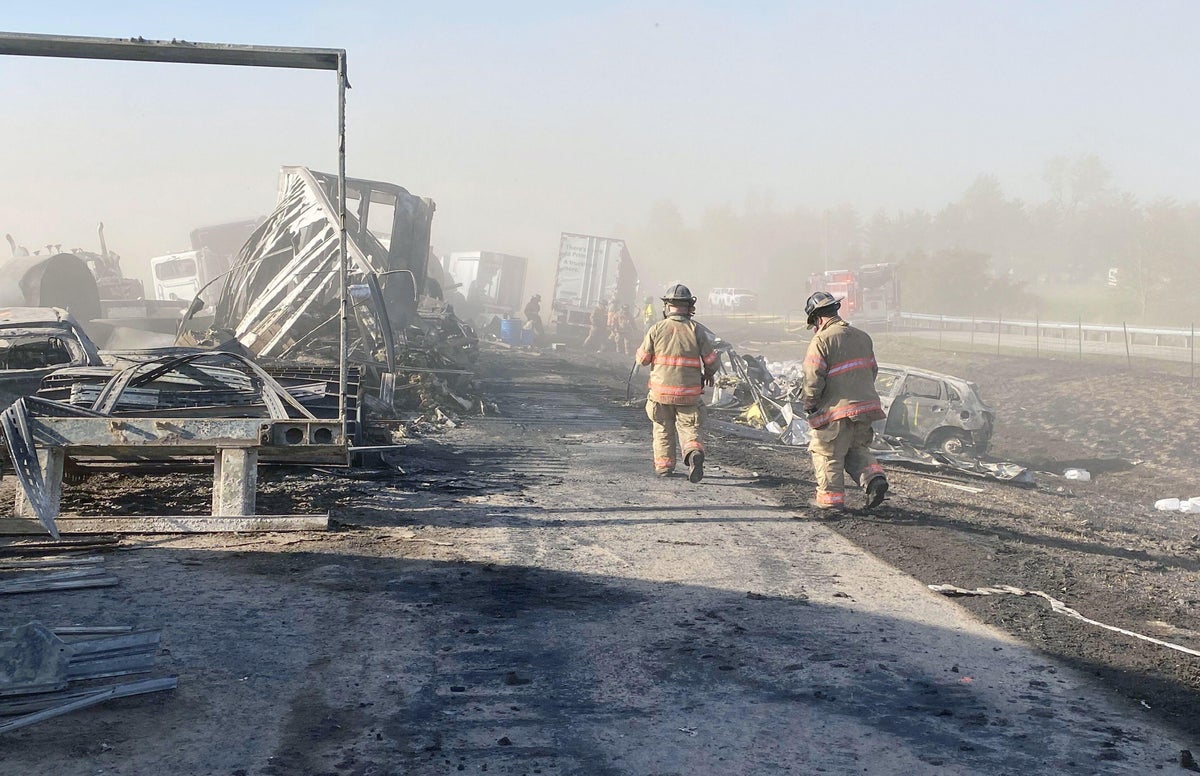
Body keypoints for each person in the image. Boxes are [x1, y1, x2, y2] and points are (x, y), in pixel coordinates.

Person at [800, 291, 889, 512]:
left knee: (826, 452)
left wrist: (810, 404)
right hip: (866, 408)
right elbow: (872, 370)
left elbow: (813, 377)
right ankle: (874, 478)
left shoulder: (821, 340)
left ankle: (830, 502)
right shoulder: (862, 336)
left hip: (836, 411)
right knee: (855, 448)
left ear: (818, 319)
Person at [635, 283, 719, 482]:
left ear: (667, 306)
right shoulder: (696, 329)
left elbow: (643, 359)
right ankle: (693, 453)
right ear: (689, 306)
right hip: (688, 394)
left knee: (663, 428)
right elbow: (712, 360)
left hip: (660, 393)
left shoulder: (656, 328)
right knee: (690, 428)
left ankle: (664, 467)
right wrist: (708, 372)